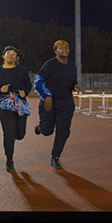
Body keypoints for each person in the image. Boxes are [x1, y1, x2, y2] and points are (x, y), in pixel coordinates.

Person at [34, 39, 82, 169]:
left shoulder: (72, 66)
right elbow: (38, 82)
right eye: (61, 48)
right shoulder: (49, 65)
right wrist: (46, 96)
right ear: (55, 51)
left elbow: (73, 81)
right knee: (47, 131)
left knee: (63, 131)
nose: (65, 50)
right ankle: (40, 128)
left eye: (66, 47)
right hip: (50, 102)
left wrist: (75, 86)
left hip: (66, 102)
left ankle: (55, 157)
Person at [0, 45, 32, 173]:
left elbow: (28, 85)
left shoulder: (22, 71)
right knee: (9, 133)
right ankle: (9, 160)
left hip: (20, 103)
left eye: (13, 53)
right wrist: (0, 90)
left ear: (16, 57)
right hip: (4, 103)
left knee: (20, 134)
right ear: (3, 56)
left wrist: (25, 92)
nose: (11, 55)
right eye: (8, 53)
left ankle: (16, 138)